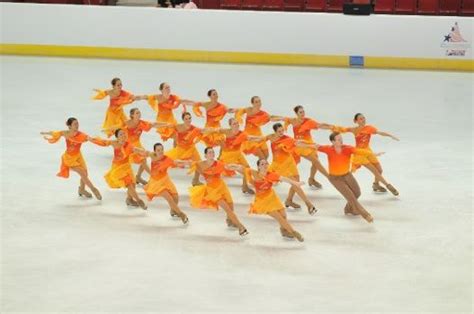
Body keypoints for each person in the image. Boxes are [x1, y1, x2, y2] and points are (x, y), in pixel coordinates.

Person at [331, 113, 399, 195]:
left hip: (368, 151)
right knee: (375, 172)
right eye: (360, 119)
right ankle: (388, 185)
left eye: (363, 118)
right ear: (355, 121)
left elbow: (380, 132)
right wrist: (332, 129)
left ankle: (376, 185)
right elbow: (342, 129)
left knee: (379, 170)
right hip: (359, 154)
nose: (363, 120)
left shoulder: (369, 128)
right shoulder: (354, 129)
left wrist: (390, 135)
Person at [189, 147, 249, 237]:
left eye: (212, 152)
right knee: (228, 210)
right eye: (209, 152)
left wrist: (240, 168)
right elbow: (191, 165)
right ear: (205, 155)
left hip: (222, 187)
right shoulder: (200, 164)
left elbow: (229, 166)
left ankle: (229, 221)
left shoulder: (219, 164)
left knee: (231, 206)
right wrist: (195, 180)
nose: (211, 154)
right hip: (212, 191)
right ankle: (241, 227)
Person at [40, 117, 102, 200]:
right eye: (75, 124)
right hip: (69, 158)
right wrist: (46, 132)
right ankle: (94, 190)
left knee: (85, 173)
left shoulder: (81, 135)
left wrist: (96, 140)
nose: (77, 125)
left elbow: (89, 138)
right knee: (82, 173)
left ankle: (82, 189)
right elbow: (55, 133)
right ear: (69, 126)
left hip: (78, 156)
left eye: (77, 123)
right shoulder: (65, 133)